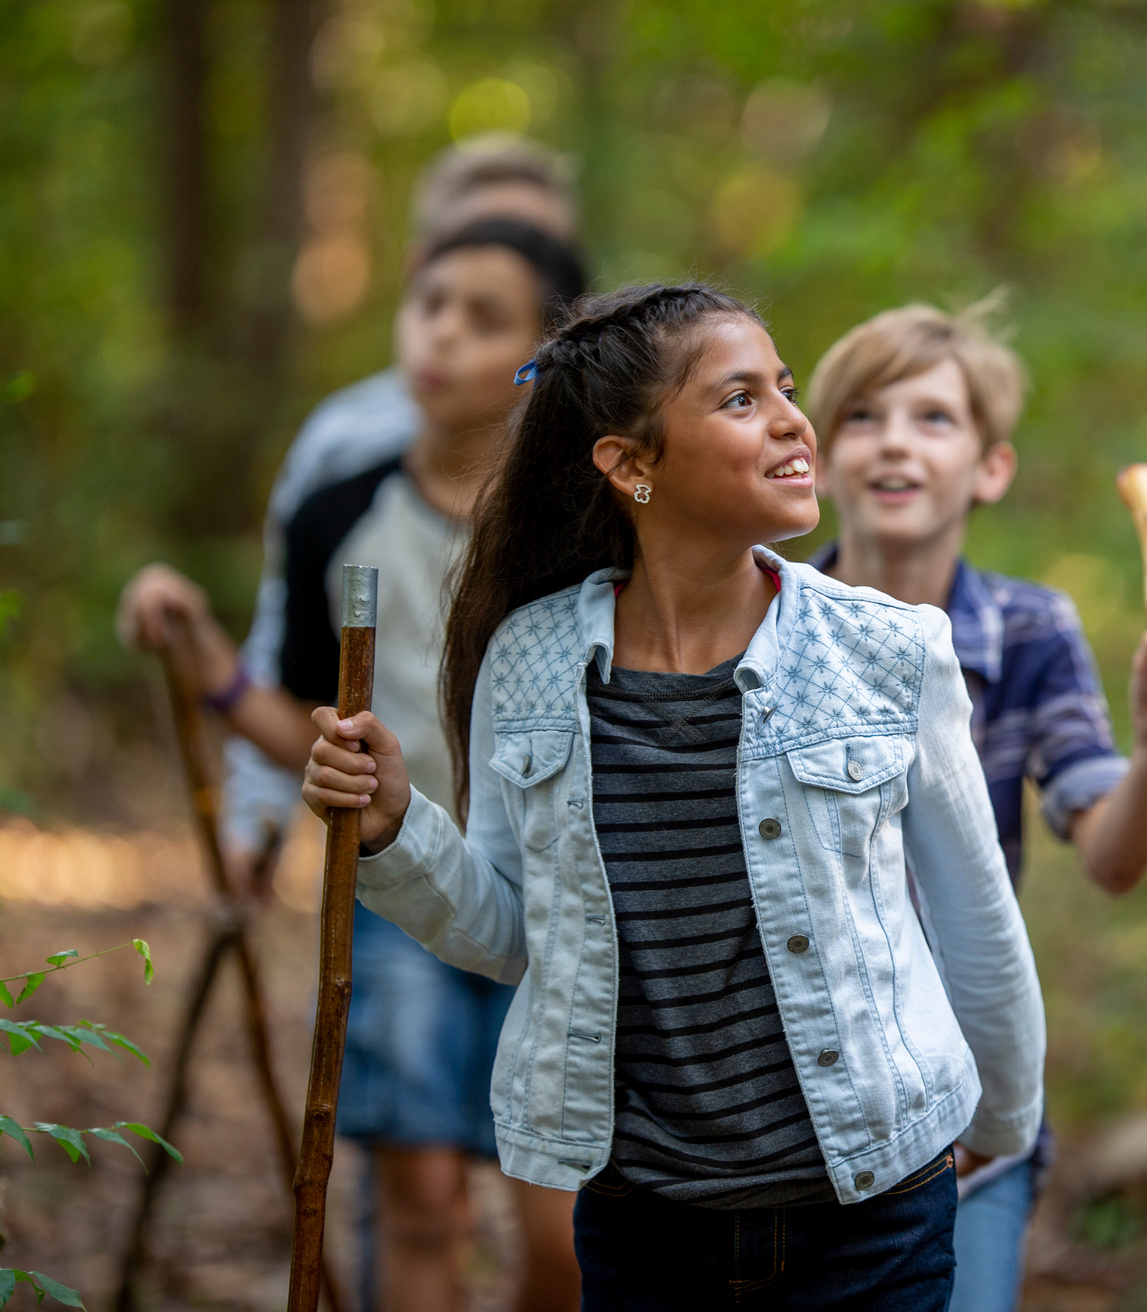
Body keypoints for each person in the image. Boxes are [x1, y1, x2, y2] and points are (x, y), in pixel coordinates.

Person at [296, 282, 1047, 1311]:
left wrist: (998, 1128)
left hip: (874, 1209)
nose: (793, 418)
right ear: (630, 462)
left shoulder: (887, 650)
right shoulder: (535, 659)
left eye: (786, 389)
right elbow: (515, 931)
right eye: (741, 400)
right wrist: (395, 828)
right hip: (644, 1220)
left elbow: (976, 919)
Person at [119, 220, 590, 1312]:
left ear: (545, 354)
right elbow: (303, 725)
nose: (440, 335)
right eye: (429, 303)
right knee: (419, 1198)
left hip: (568, 900)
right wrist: (203, 659)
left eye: (485, 318)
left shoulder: (582, 529)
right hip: (393, 889)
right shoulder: (341, 510)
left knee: (559, 1230)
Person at [801, 302, 1147, 1312]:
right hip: (799, 1109)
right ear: (816, 460)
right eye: (863, 416)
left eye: (934, 419)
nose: (896, 439)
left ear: (989, 468)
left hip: (968, 1111)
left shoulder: (1030, 630)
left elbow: (1113, 858)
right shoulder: (763, 620)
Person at [223, 134, 582, 852]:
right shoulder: (341, 454)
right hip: (398, 859)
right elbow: (287, 655)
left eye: (528, 246)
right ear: (418, 268)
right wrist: (254, 821)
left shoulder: (592, 497)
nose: (446, 334)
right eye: (437, 298)